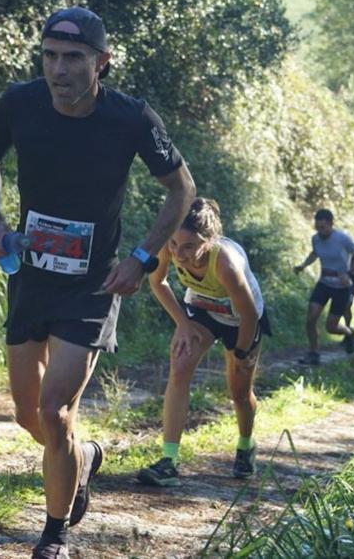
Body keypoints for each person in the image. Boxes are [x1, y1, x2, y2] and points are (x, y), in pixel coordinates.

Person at [0, 6, 196, 559]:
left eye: (73, 57)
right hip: (30, 275)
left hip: (92, 285)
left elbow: (181, 189)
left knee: (55, 410)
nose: (59, 69)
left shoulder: (132, 119)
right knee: (29, 415)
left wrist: (143, 258)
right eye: (50, 55)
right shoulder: (19, 104)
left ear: (102, 62)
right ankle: (84, 458)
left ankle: (54, 535)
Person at [137, 198, 271, 488]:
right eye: (174, 245)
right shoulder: (171, 246)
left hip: (241, 320)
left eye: (188, 247)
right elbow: (157, 283)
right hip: (201, 310)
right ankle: (168, 462)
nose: (179, 254)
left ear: (208, 241)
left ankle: (246, 445)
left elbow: (247, 313)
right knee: (180, 366)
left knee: (238, 391)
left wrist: (242, 352)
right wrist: (183, 324)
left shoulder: (225, 263)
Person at [293, 209, 354, 365]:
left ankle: (349, 332)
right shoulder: (316, 239)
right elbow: (315, 253)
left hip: (341, 288)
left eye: (323, 227)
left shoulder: (343, 238)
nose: (320, 231)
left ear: (331, 224)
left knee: (331, 327)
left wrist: (351, 273)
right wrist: (303, 265)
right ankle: (313, 353)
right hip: (324, 284)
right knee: (311, 319)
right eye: (317, 228)